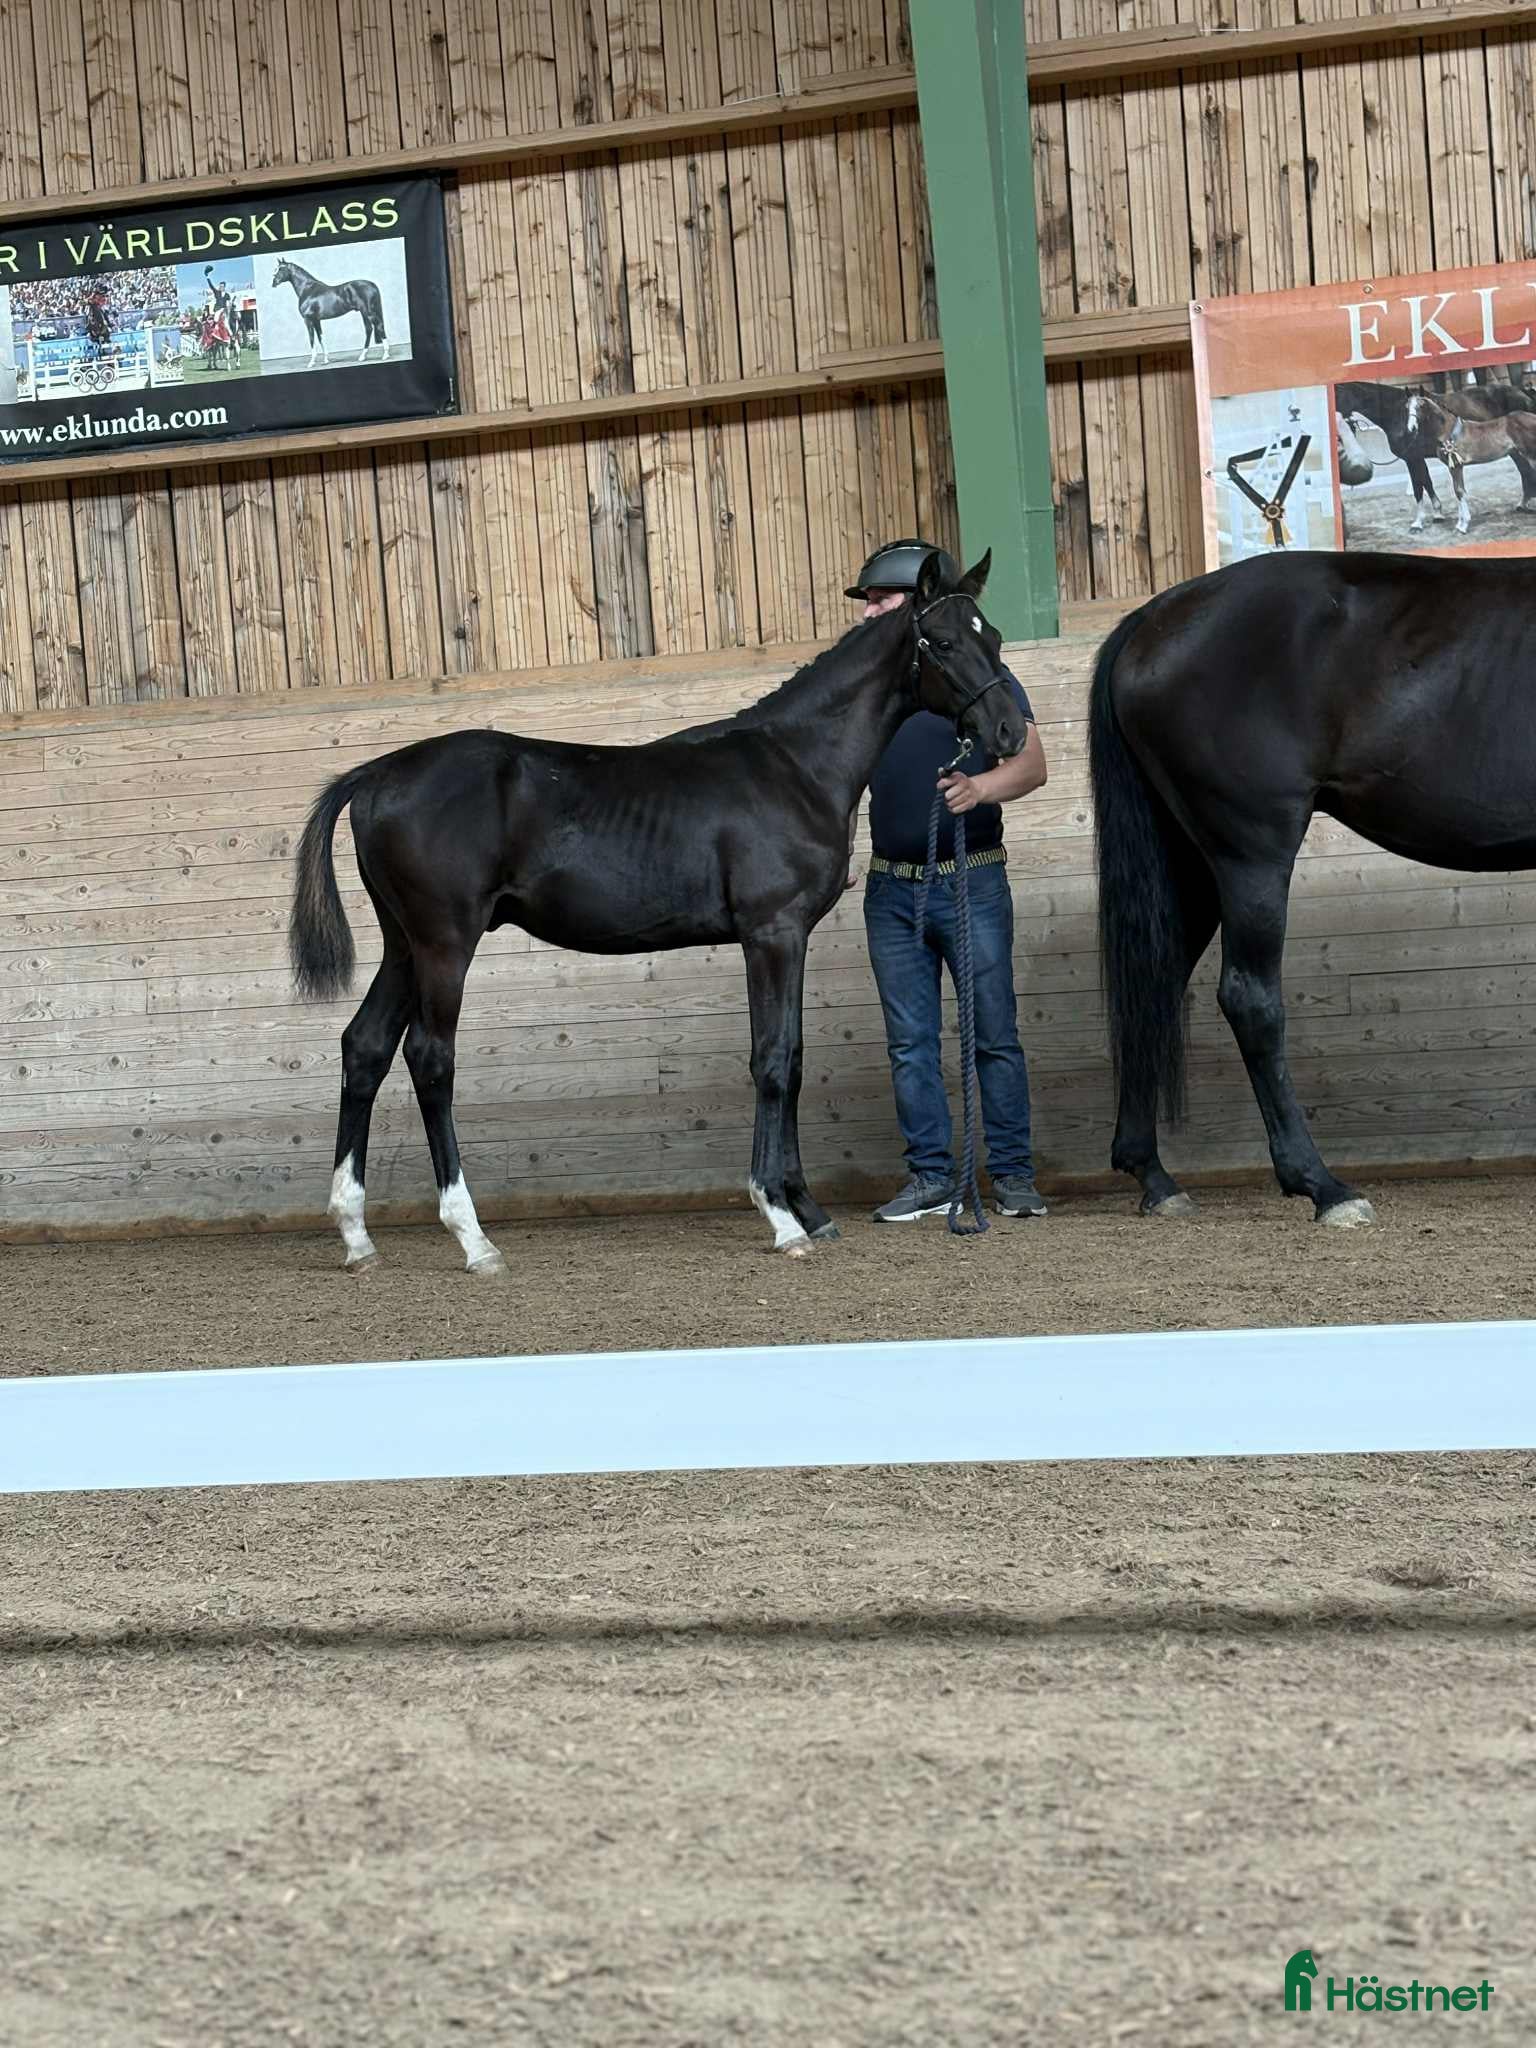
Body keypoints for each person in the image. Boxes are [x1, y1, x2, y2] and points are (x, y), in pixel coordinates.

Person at [848, 539, 1049, 1222]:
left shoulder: (972, 667)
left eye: (880, 597)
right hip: (890, 888)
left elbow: (1031, 762)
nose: (867, 608)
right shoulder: (862, 687)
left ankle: (1014, 1177)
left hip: (970, 879)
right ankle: (930, 1177)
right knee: (910, 1043)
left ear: (918, 602)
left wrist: (981, 787)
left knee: (993, 1033)